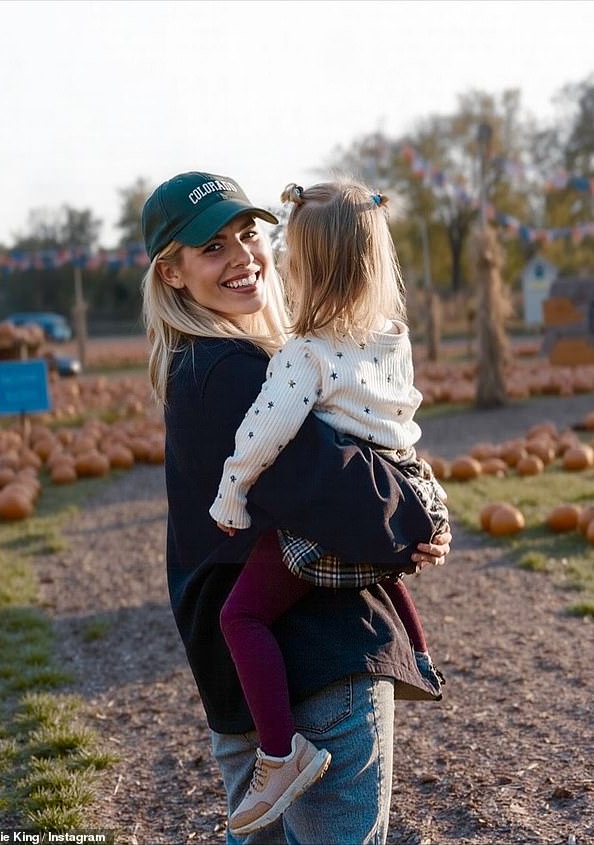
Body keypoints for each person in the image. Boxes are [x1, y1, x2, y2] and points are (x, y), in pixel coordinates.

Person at [140, 170, 451, 845]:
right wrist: (419, 515)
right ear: (172, 273)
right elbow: (334, 490)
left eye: (248, 234)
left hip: (256, 681)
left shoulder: (215, 363)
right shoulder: (232, 372)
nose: (242, 256)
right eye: (213, 247)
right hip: (314, 666)